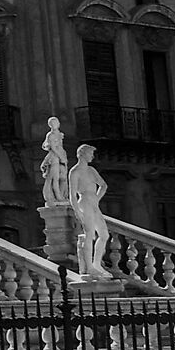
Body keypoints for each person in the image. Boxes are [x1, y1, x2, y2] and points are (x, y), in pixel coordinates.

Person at [68, 145, 110, 279]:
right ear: (82, 154)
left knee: (104, 234)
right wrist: (77, 211)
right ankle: (90, 267)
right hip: (84, 202)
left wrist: (97, 199)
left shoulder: (91, 170)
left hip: (93, 203)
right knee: (89, 234)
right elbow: (72, 195)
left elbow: (103, 185)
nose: (92, 156)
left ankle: (96, 264)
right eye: (90, 153)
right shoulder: (75, 172)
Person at [39, 117, 70, 205]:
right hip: (54, 157)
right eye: (52, 124)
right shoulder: (50, 135)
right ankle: (58, 196)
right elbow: (53, 147)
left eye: (55, 123)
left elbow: (60, 146)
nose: (54, 125)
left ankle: (62, 194)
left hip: (61, 155)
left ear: (58, 124)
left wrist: (63, 156)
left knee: (63, 177)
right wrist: (61, 157)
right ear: (50, 125)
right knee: (54, 178)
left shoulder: (60, 134)